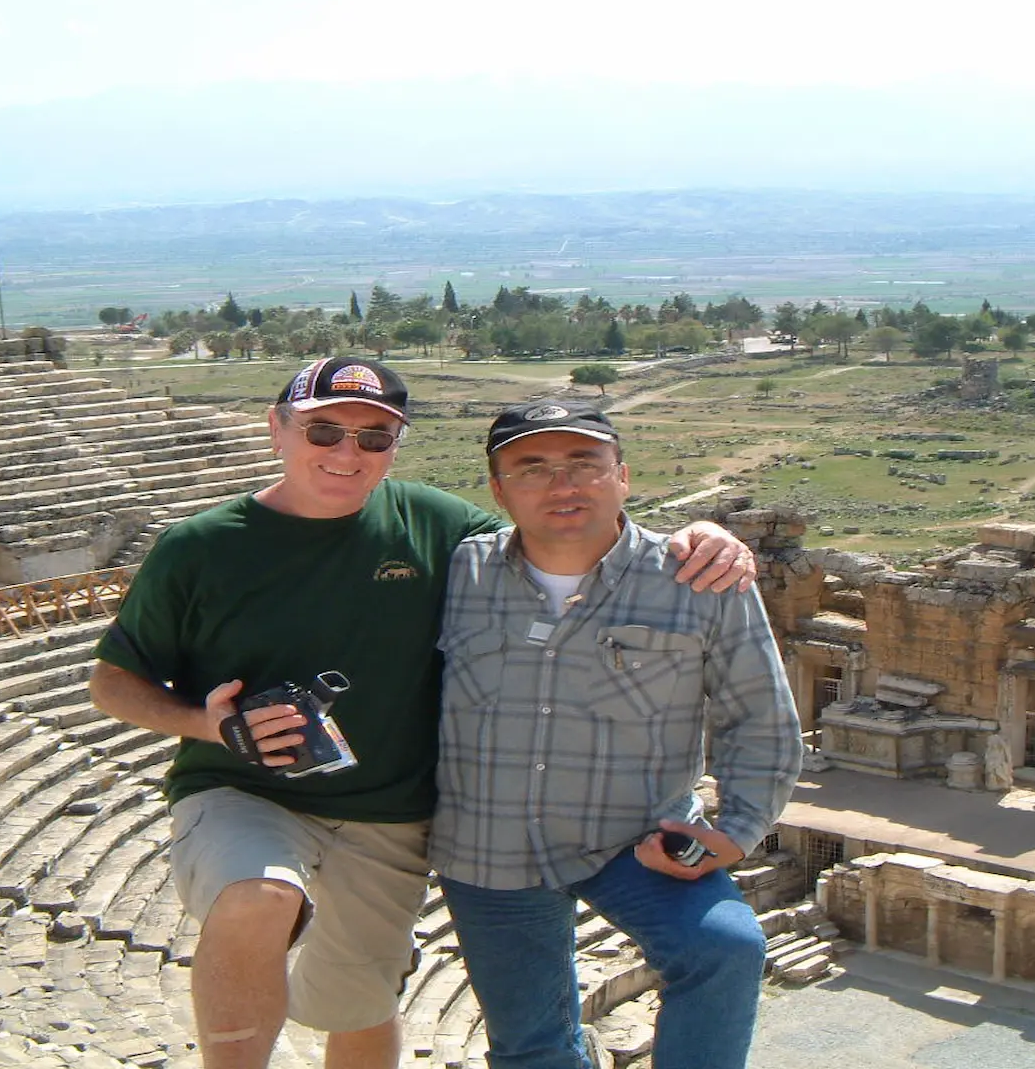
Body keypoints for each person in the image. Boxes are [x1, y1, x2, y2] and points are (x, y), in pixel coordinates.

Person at [87, 357, 754, 1069]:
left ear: (395, 447)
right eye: (325, 431)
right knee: (258, 895)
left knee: (362, 1004)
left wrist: (697, 538)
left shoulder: (434, 524)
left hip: (392, 814)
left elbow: (559, 539)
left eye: (374, 437)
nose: (349, 453)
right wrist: (210, 724)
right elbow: (112, 682)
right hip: (243, 788)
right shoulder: (200, 548)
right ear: (278, 428)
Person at [432, 400, 804, 1069]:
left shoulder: (700, 579)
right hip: (490, 846)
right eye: (532, 468)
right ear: (497, 489)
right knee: (530, 1048)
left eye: (584, 464)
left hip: (636, 839)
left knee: (724, 950)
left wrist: (740, 829)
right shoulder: (457, 573)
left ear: (622, 476)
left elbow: (760, 715)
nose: (563, 485)